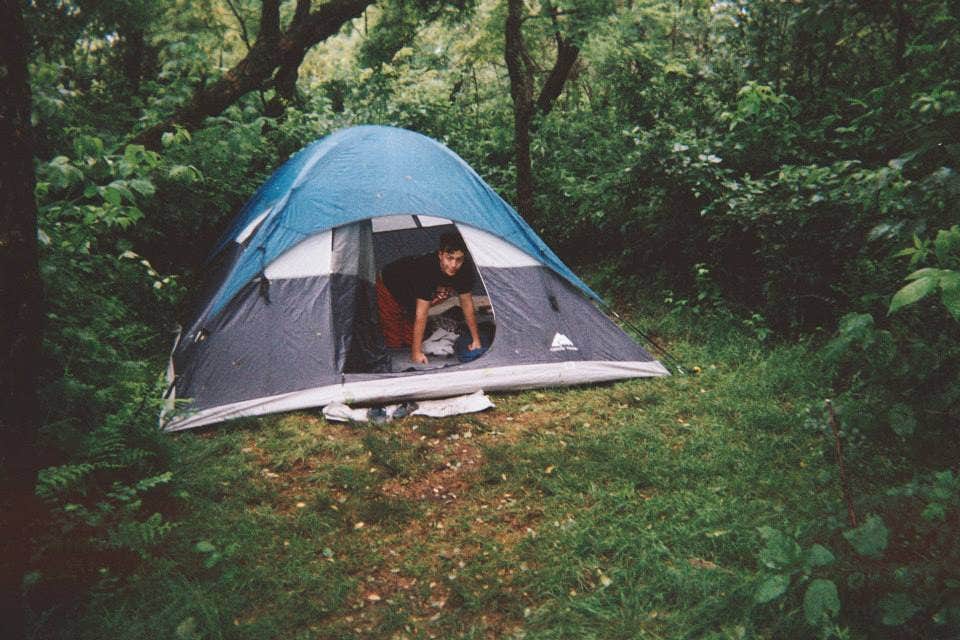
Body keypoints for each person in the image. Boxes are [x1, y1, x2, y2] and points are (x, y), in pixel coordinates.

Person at [377, 232, 483, 364]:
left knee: (410, 340)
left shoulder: (465, 269)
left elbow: (467, 304)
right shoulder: (426, 270)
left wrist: (476, 339)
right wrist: (416, 353)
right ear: (440, 255)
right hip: (390, 287)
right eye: (449, 258)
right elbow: (421, 314)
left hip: (413, 295)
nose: (454, 265)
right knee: (394, 342)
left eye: (459, 259)